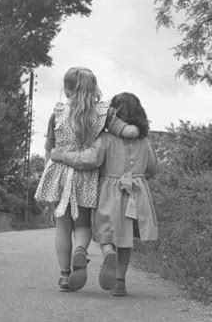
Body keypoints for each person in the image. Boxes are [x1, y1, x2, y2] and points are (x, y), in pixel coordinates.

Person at [35, 68, 139, 292]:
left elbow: (49, 149)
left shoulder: (58, 113)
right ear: (94, 88)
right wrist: (136, 129)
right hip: (86, 176)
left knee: (62, 226)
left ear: (66, 89)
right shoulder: (104, 113)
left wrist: (48, 175)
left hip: (59, 172)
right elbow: (125, 131)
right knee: (82, 223)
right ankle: (80, 249)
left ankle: (64, 276)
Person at [51, 92, 158, 297]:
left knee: (103, 230)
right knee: (125, 238)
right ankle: (120, 283)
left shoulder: (106, 139)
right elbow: (152, 168)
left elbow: (89, 160)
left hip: (110, 191)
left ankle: (108, 251)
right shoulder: (145, 142)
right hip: (135, 192)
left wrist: (63, 156)